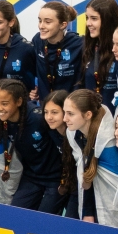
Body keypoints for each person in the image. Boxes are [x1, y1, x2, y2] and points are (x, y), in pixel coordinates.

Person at [0, 78, 64, 212]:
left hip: (56, 178)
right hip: (31, 176)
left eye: (5, 103)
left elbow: (64, 146)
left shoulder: (38, 118)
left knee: (43, 220)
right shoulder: (1, 120)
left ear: (19, 101)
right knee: (15, 215)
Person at [64, 89, 118, 226]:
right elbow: (84, 171)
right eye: (65, 113)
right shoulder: (74, 134)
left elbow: (116, 188)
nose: (65, 119)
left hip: (113, 209)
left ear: (88, 115)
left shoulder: (109, 143)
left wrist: (89, 211)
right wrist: (87, 211)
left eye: (70, 114)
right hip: (88, 199)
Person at [0, 0, 36, 121]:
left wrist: (36, 91)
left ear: (11, 22)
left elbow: (38, 77)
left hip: (21, 114)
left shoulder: (26, 48)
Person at [80, 0, 118, 110]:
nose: (88, 23)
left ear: (108, 20)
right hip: (92, 117)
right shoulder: (87, 47)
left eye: (94, 18)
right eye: (87, 18)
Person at [33, 1, 83, 99]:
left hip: (70, 105)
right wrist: (34, 89)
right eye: (40, 20)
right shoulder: (37, 41)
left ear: (63, 25)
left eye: (47, 22)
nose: (41, 26)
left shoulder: (78, 44)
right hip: (46, 105)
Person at [43, 89, 80, 218]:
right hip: (64, 181)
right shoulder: (51, 131)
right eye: (46, 112)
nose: (49, 117)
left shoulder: (77, 135)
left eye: (54, 112)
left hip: (80, 187)